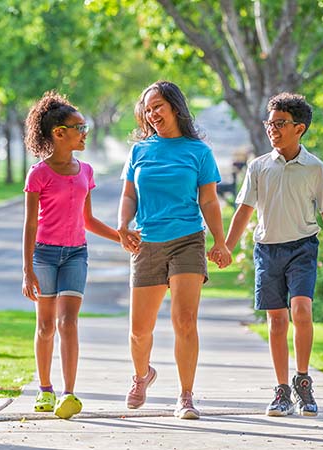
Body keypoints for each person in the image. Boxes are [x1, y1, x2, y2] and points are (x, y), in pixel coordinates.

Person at [223, 92, 323, 417]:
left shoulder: (315, 169)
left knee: (302, 311)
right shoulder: (258, 167)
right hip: (267, 250)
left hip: (302, 248)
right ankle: (282, 389)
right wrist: (225, 245)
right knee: (277, 320)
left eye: (280, 123)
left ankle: (303, 382)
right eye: (270, 123)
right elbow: (243, 212)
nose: (273, 129)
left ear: (300, 128)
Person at [117, 80, 232, 420]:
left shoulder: (198, 152)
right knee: (140, 330)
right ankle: (142, 376)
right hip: (147, 241)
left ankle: (185, 396)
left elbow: (209, 200)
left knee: (185, 321)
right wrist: (123, 225)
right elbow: (128, 195)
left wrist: (220, 241)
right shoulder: (140, 151)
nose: (152, 114)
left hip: (187, 240)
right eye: (148, 109)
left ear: (175, 108)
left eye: (158, 107)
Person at [21, 91, 120, 420]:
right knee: (46, 325)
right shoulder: (39, 173)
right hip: (45, 256)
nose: (85, 133)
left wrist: (121, 236)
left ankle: (69, 392)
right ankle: (45, 389)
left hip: (77, 254)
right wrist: (27, 270)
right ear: (58, 133)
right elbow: (30, 224)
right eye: (79, 127)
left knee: (68, 322)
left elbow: (87, 220)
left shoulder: (86, 171)